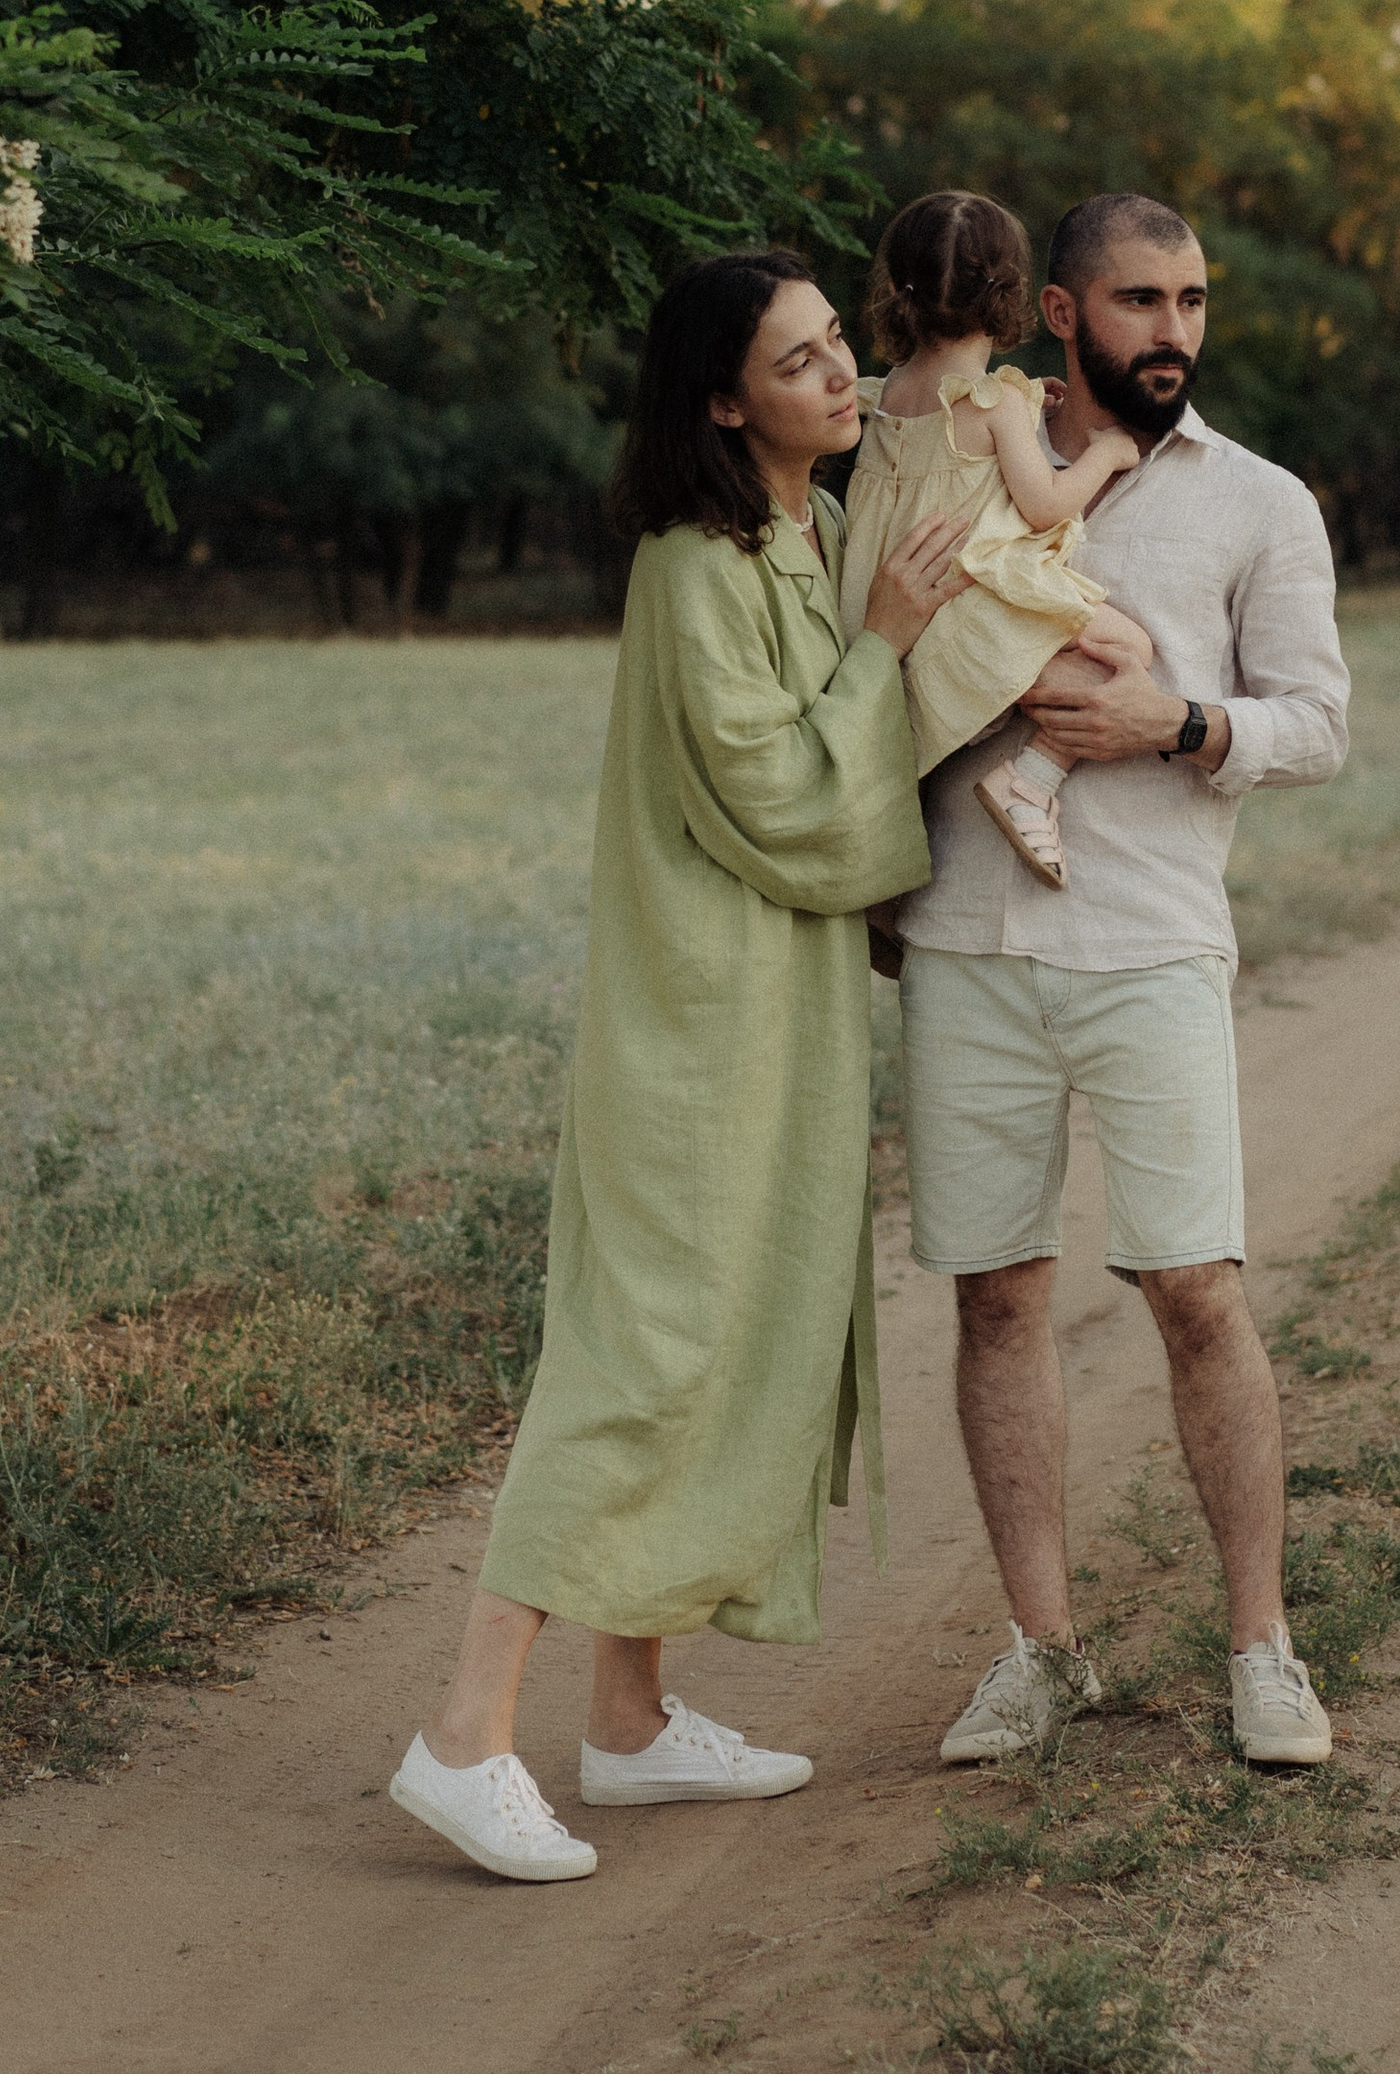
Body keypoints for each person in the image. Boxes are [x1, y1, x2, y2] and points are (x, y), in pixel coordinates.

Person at [390, 249, 970, 1885]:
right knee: (637, 1363)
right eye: (801, 363)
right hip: (694, 1027)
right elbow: (789, 800)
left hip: (778, 1011)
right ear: (725, 400)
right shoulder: (691, 566)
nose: (842, 376)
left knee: (733, 1341)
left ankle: (631, 1723)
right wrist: (888, 647)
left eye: (841, 343)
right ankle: (462, 1734)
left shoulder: (809, 523)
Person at [892, 192, 1353, 1774]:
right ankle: (1041, 1652)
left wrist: (1177, 726)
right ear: (1064, 316)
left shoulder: (1260, 502)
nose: (1176, 332)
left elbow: (1320, 724)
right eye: (1143, 302)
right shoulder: (958, 449)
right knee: (996, 1295)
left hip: (1152, 941)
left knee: (1196, 1289)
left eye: (1195, 302)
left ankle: (1261, 1650)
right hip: (961, 939)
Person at [841, 189, 1157, 890]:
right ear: (1010, 292)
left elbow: (945, 463)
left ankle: (884, 891)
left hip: (889, 616)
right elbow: (1044, 506)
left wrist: (1018, 408)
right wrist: (1104, 454)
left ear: (900, 290)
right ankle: (1030, 780)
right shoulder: (995, 402)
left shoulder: (886, 395)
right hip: (968, 610)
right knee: (1130, 648)